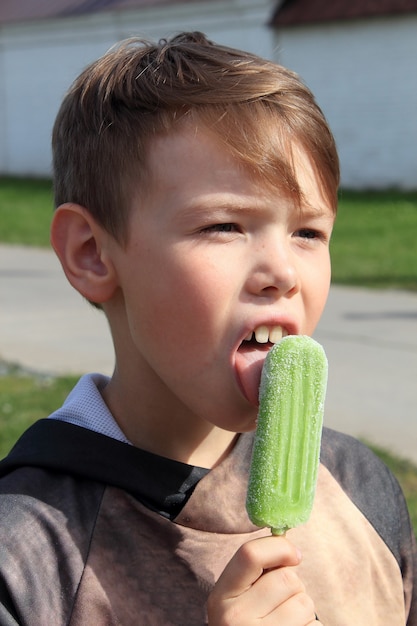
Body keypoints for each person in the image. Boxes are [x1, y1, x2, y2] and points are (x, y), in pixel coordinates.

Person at [0, 32, 415, 625]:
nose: (282, 271)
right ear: (92, 253)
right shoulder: (28, 555)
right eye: (224, 225)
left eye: (308, 233)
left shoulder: (357, 487)